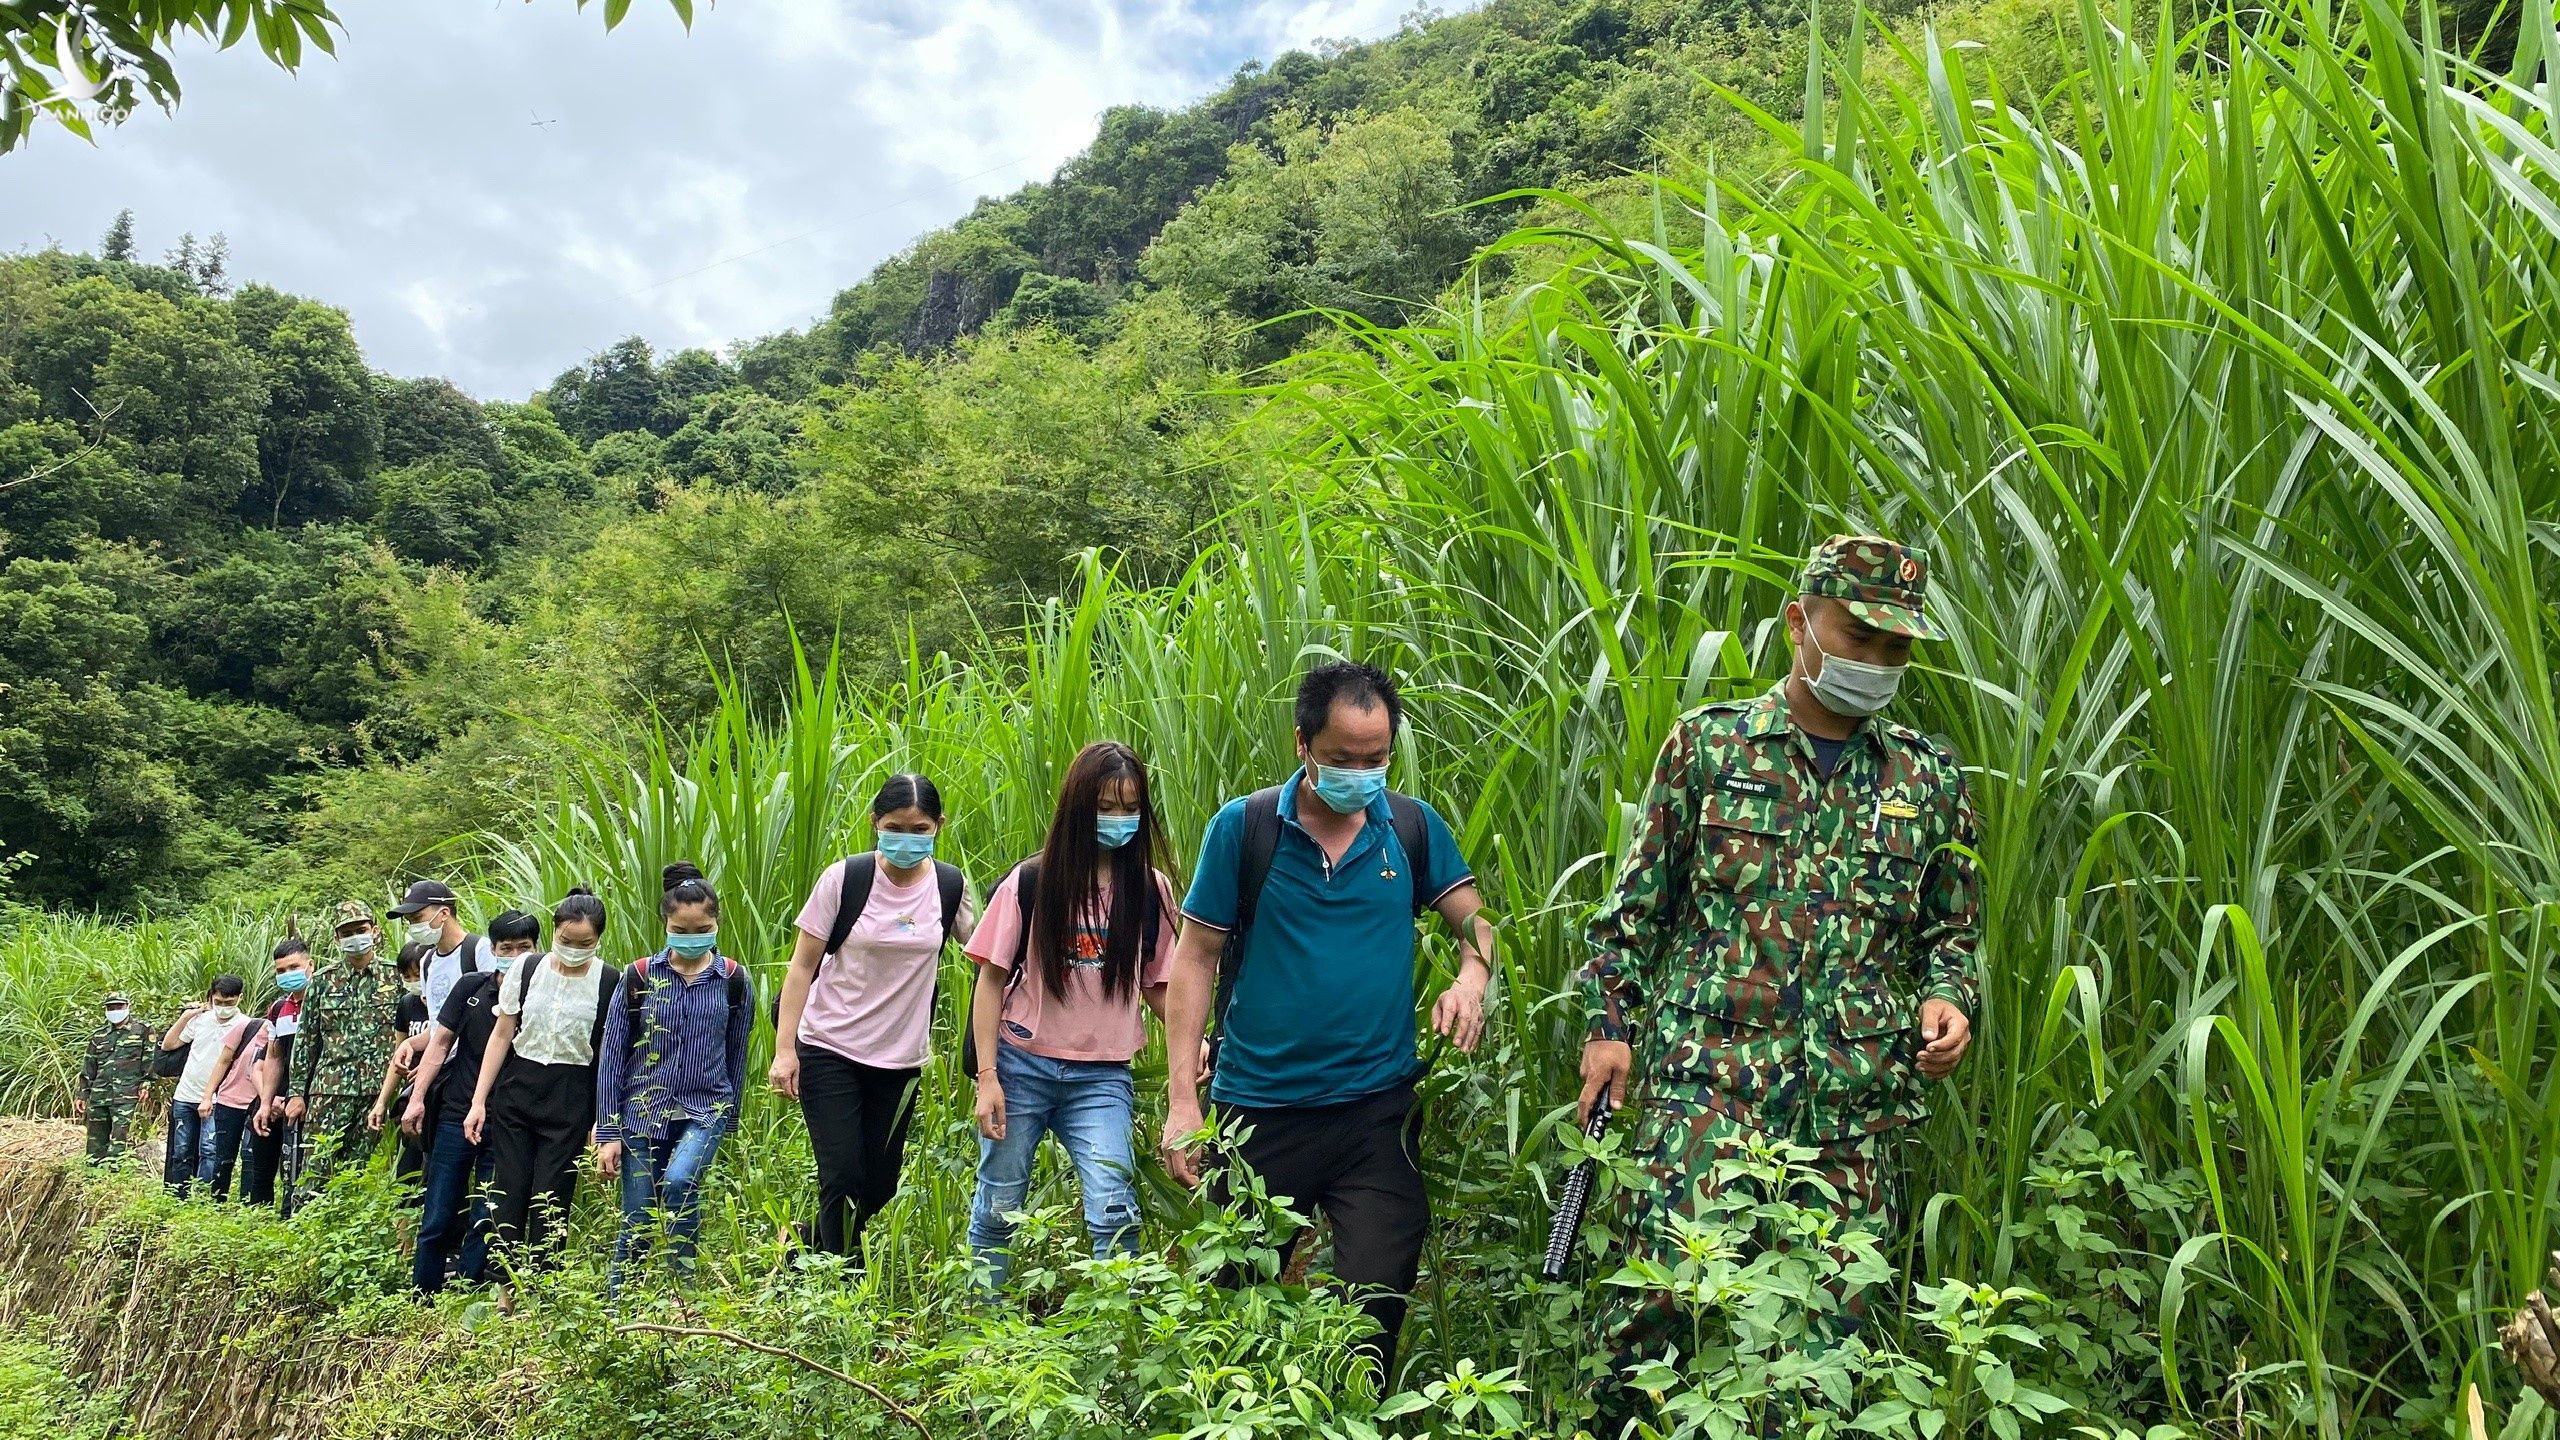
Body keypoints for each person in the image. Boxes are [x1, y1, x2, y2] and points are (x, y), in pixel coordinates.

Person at [1576, 536, 1980, 1409]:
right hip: (1704, 1093)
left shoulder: (1928, 776)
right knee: (1660, 1324)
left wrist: (1950, 996)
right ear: (1800, 623)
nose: (1876, 663)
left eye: (1896, 649)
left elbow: (1953, 926)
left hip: (1849, 1109)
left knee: (1831, 1354)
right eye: (1859, 637)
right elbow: (1632, 916)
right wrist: (1609, 1032)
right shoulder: (1709, 749)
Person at [1157, 661, 1495, 1382]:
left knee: (1375, 1305)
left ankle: (1351, 1416)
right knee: (1237, 1318)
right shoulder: (1246, 829)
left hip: (1376, 1115)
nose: (1361, 774)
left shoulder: (1409, 828)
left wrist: (1471, 979)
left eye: (1376, 760)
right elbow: (1194, 961)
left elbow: (1479, 930)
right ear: (1303, 744)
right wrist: (1184, 1100)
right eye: (1343, 759)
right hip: (1258, 1114)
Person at [967, 743, 1178, 1287]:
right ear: (1078, 807)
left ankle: (1118, 1329)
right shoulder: (1033, 881)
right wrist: (987, 1078)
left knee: (1113, 1205)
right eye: (1105, 807)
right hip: (1021, 1065)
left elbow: (1160, 986)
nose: (1118, 821)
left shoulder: (1150, 890)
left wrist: (1189, 1040)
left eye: (1130, 808)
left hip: (1103, 1074)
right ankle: (983, 1319)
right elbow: (990, 982)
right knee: (1000, 1201)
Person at [770, 773, 975, 1265]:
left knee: (879, 1184)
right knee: (842, 1175)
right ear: (874, 824)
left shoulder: (949, 886)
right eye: (894, 826)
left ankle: (803, 1242)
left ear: (939, 826)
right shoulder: (845, 879)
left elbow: (986, 955)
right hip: (829, 1045)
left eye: (919, 828)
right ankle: (840, 1289)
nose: (907, 838)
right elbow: (801, 966)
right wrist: (784, 1050)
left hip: (899, 1059)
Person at [598, 862, 755, 1293]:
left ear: (716, 923)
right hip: (642, 1110)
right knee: (638, 1214)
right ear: (665, 923)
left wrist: (732, 1120)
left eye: (701, 928)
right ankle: (619, 1308)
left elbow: (737, 1052)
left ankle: (683, 1296)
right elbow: (613, 1056)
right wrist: (607, 1132)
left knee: (681, 1181)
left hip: (707, 1107)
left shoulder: (734, 980)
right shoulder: (639, 977)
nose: (690, 938)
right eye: (680, 930)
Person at [467, 895, 621, 1297]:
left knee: (551, 1195)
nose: (574, 948)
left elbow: (608, 1056)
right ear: (554, 931)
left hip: (572, 1096)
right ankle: (504, 1293)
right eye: (567, 938)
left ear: (598, 939)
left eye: (585, 942)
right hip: (518, 1088)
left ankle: (543, 1294)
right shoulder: (527, 967)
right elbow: (502, 1034)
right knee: (509, 1190)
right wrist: (479, 1100)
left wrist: (603, 1120)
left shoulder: (609, 981)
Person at [401, 934, 511, 1296]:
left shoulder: (538, 992)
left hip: (507, 1121)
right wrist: (417, 1098)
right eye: (506, 948)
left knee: (486, 1214)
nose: (514, 956)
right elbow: (440, 1043)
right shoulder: (470, 987)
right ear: (493, 950)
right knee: (438, 1211)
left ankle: (468, 1293)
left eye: (524, 947)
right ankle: (423, 1293)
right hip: (455, 1114)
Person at [286, 901, 404, 1194]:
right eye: (347, 932)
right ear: (337, 939)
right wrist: (296, 1093)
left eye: (361, 930)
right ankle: (307, 1231)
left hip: (379, 1091)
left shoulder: (397, 977)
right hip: (330, 1090)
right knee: (315, 1170)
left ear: (375, 931)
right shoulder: (323, 981)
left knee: (361, 1171)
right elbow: (306, 1040)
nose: (355, 937)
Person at [159, 975, 248, 1195]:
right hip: (186, 1095)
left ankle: (202, 1199)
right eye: (219, 1002)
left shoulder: (245, 1025)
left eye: (230, 1003)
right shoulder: (201, 1020)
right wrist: (186, 1017)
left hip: (218, 1099)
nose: (223, 1008)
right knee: (181, 1150)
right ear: (211, 998)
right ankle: (178, 1196)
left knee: (210, 1150)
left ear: (240, 998)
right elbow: (169, 1044)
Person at [241, 938, 314, 1206]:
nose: (288, 975)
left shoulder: (324, 1003)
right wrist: (267, 1101)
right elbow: (273, 1056)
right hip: (277, 1101)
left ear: (311, 965)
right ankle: (259, 1224)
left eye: (294, 967)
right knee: (262, 1170)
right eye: (281, 970)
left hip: (311, 1101)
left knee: (297, 1173)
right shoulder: (278, 1009)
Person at [390, 879, 493, 1051]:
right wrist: (410, 1044)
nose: (413, 927)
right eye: (409, 921)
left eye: (417, 918)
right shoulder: (427, 961)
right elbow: (436, 1026)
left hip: (475, 1060)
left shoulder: (480, 950)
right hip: (442, 1063)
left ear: (444, 913)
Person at [368, 944, 436, 1189]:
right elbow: (398, 1059)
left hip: (440, 1096)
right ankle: (404, 1227)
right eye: (406, 977)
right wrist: (382, 1102)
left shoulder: (446, 1001)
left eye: (417, 976)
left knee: (434, 1174)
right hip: (410, 1099)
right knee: (406, 1175)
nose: (413, 982)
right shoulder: (407, 1004)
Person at [76, 992, 155, 1166]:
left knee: (119, 1137)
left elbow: (149, 1059)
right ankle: (93, 1176)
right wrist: (82, 1094)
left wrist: (146, 1084)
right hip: (99, 1094)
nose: (115, 1010)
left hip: (126, 1094)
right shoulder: (99, 1036)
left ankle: (114, 1174)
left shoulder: (142, 1030)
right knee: (95, 1141)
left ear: (127, 1006)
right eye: (111, 1007)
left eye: (119, 1006)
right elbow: (89, 1066)